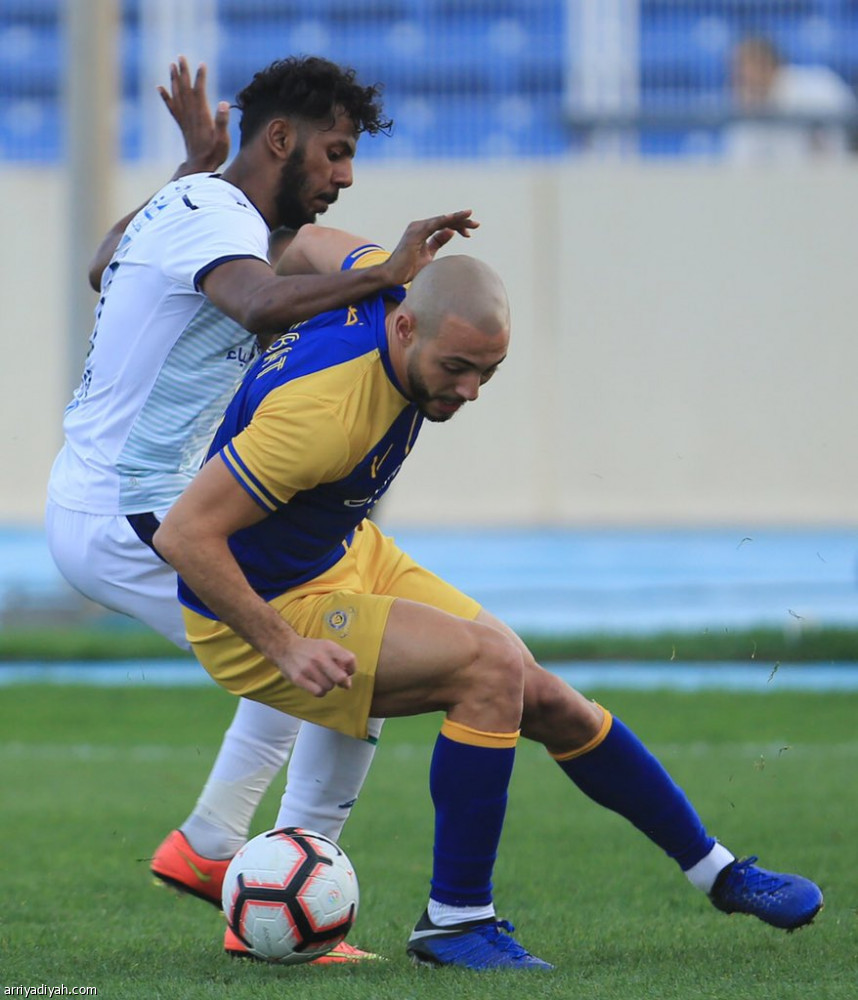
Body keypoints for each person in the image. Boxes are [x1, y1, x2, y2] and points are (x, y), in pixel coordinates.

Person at [153, 223, 823, 971]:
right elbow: (183, 537)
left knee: (534, 687)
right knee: (488, 673)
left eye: (488, 373)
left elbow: (307, 239)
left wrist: (293, 307)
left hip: (342, 554)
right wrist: (284, 644)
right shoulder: (320, 415)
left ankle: (719, 873)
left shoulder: (389, 282)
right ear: (404, 327)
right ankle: (455, 919)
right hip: (264, 610)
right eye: (457, 368)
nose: (469, 390)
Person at [45, 54, 476, 964]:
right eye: (335, 152)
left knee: (324, 651)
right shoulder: (216, 217)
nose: (345, 176)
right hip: (134, 514)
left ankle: (210, 847)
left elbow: (99, 264)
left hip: (104, 502)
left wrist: (195, 161)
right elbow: (256, 305)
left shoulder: (197, 200)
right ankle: (278, 915)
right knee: (346, 661)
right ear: (279, 138)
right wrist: (387, 270)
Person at [725, 35, 857, 163]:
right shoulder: (743, 110)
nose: (736, 77)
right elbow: (742, 167)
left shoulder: (819, 87)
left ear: (767, 64)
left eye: (743, 67)